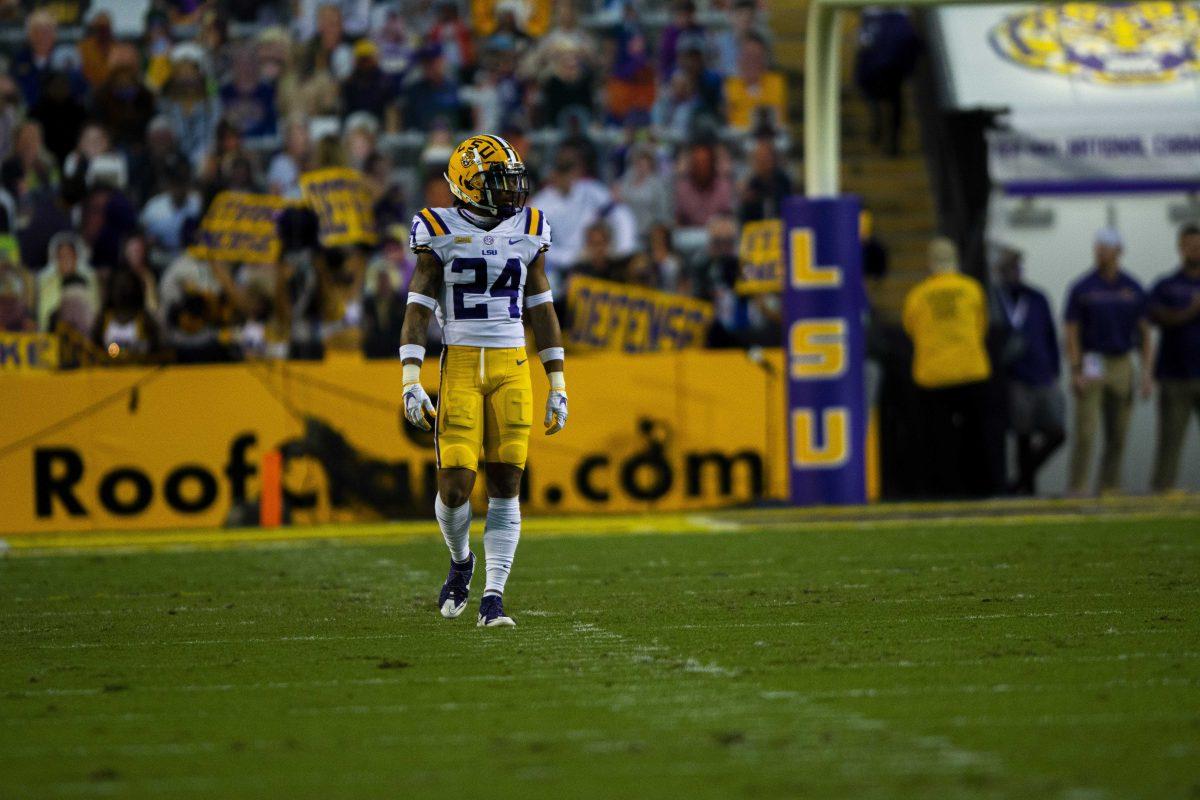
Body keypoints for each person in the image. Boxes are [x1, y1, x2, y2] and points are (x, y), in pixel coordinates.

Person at [399, 134, 568, 628]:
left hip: (512, 362)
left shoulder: (530, 227)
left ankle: (493, 596)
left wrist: (557, 381)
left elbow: (542, 306)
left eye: (514, 181)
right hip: (461, 362)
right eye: (499, 182)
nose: (512, 192)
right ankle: (460, 562)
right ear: (468, 185)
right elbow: (418, 305)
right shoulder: (437, 227)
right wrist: (411, 377)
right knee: (454, 486)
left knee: (507, 482)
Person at [1064, 228, 1153, 496]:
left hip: (1122, 361)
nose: (1101, 251)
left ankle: (1109, 486)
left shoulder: (1132, 287)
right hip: (1093, 361)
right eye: (1098, 247)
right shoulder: (1083, 287)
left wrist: (1146, 372)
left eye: (1106, 247)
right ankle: (1078, 488)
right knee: (1086, 432)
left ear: (1118, 251)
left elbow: (1145, 332)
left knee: (1119, 432)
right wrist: (1076, 368)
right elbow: (1071, 331)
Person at [901, 237, 992, 497]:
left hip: (932, 375)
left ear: (930, 263)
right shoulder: (972, 289)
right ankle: (979, 489)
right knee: (975, 436)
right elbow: (981, 327)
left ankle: (943, 490)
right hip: (971, 370)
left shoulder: (918, 294)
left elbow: (911, 329)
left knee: (938, 439)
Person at [994, 250, 1065, 495]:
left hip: (1042, 373)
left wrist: (1055, 368)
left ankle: (1019, 482)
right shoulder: (995, 298)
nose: (1014, 272)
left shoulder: (1036, 297)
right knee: (1022, 436)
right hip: (1015, 377)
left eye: (1016, 267)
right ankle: (1028, 490)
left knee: (1057, 433)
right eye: (1008, 268)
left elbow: (1050, 334)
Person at [1149, 223, 1200, 493]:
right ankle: (1161, 494)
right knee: (1169, 442)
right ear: (1181, 248)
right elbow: (1155, 317)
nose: (1196, 249)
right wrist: (1191, 311)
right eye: (1190, 244)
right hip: (1175, 376)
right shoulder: (1167, 285)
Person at [854, 7, 921, 156]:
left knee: (892, 96)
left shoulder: (891, 20)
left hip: (885, 61)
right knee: (890, 96)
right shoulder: (877, 19)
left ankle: (890, 136)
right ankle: (886, 132)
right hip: (883, 61)